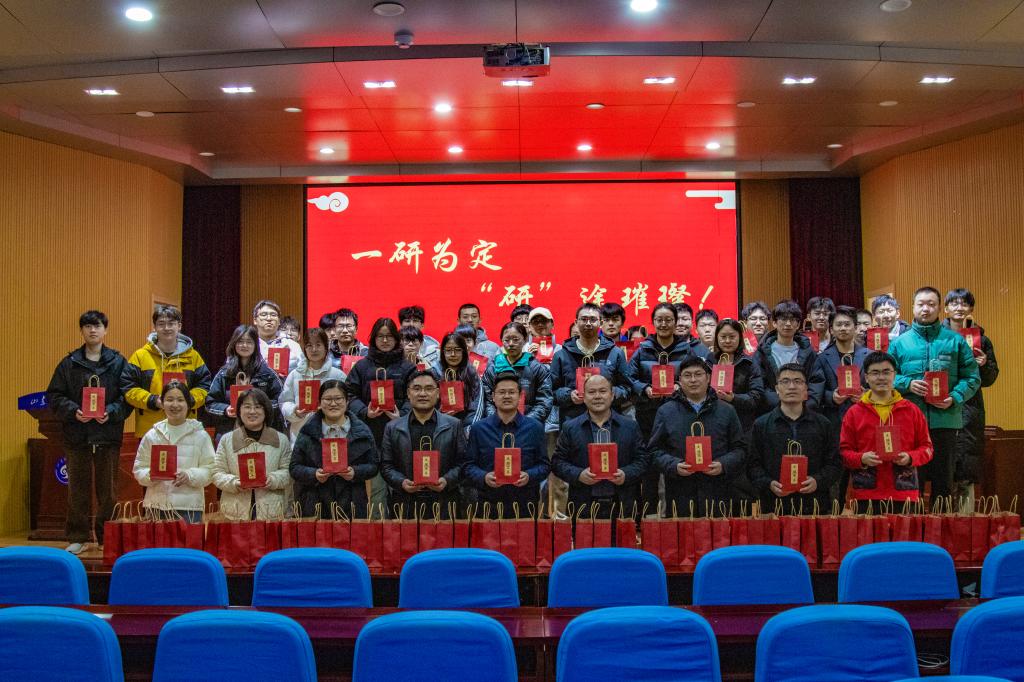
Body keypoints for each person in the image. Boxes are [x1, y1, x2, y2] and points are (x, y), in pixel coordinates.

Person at [46, 310, 129, 554]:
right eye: (88, 326)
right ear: (81, 331)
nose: (93, 330)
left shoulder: (118, 362)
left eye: (97, 326)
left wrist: (111, 412)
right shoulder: (69, 363)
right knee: (77, 490)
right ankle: (78, 536)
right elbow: (54, 395)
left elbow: (127, 397)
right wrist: (74, 411)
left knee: (108, 492)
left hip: (108, 435)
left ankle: (106, 537)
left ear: (105, 330)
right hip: (77, 436)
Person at [890, 286, 980, 501]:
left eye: (931, 304)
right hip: (910, 422)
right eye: (921, 304)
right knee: (911, 485)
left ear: (940, 308)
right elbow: (884, 377)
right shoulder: (899, 343)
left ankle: (942, 523)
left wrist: (955, 397)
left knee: (944, 485)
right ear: (913, 307)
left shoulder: (955, 340)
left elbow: (972, 377)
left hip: (945, 422)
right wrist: (907, 384)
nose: (926, 309)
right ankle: (912, 523)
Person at [627, 303, 709, 515]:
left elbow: (694, 375)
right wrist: (644, 388)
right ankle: (650, 516)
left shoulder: (686, 349)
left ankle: (674, 516)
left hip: (677, 415)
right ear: (653, 322)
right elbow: (629, 377)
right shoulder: (643, 349)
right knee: (649, 466)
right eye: (659, 320)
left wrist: (680, 386)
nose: (664, 324)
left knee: (674, 463)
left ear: (675, 322)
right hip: (648, 415)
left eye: (668, 320)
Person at [649, 356, 747, 517]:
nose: (693, 380)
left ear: (708, 378)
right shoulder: (666, 411)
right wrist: (674, 465)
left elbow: (740, 449)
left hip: (719, 491)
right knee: (684, 533)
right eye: (687, 375)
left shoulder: (727, 410)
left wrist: (723, 464)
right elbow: (654, 451)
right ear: (680, 381)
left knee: (718, 533)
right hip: (680, 493)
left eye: (698, 374)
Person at [840, 351, 934, 510]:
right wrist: (861, 458)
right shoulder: (854, 413)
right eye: (875, 373)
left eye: (886, 372)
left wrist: (910, 457)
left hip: (904, 494)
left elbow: (928, 449)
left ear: (895, 375)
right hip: (866, 494)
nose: (881, 377)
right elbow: (844, 452)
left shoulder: (912, 410)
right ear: (866, 378)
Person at [551, 375, 650, 520]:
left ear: (612, 395)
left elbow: (643, 460)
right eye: (591, 392)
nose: (597, 396)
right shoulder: (570, 428)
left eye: (603, 391)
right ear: (584, 397)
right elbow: (557, 462)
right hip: (583, 506)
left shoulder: (630, 426)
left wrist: (626, 474)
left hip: (623, 505)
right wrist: (579, 474)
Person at [748, 364, 841, 514]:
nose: (792, 386)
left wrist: (817, 481)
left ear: (806, 389)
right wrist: (769, 483)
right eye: (785, 381)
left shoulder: (823, 424)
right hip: (774, 506)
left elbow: (835, 463)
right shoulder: (761, 425)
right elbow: (752, 464)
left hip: (815, 506)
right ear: (777, 389)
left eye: (798, 381)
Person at [345, 317, 417, 509]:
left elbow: (416, 395)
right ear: (373, 339)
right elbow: (349, 394)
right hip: (370, 435)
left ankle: (401, 525)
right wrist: (364, 411)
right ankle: (378, 525)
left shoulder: (408, 367)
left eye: (389, 336)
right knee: (376, 491)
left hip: (402, 435)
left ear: (396, 338)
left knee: (401, 487)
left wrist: (403, 415)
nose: (385, 340)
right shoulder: (361, 366)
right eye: (380, 336)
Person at [381, 371, 467, 518]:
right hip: (405, 505)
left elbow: (463, 462)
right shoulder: (393, 427)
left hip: (444, 503)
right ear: (408, 393)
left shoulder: (454, 425)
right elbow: (386, 465)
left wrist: (446, 480)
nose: (422, 394)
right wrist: (401, 482)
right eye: (417, 388)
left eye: (429, 388)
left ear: (438, 393)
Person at [462, 372, 549, 517]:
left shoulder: (535, 428)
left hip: (525, 505)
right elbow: (468, 466)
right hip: (488, 505)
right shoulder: (479, 429)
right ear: (493, 396)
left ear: (520, 396)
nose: (507, 396)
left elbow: (545, 466)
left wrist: (529, 476)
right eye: (502, 392)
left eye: (511, 392)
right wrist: (484, 477)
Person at [943, 288, 999, 507]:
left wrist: (984, 365)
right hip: (943, 405)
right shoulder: (938, 337)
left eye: (964, 303)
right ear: (946, 309)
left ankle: (966, 520)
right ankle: (941, 520)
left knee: (967, 467)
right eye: (954, 303)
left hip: (970, 408)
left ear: (971, 308)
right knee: (943, 470)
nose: (959, 308)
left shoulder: (982, 340)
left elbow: (990, 378)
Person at [290, 379, 378, 519]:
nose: (333, 404)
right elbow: (294, 467)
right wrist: (314, 474)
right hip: (316, 503)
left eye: (338, 398)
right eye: (327, 399)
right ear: (319, 403)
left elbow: (373, 466)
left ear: (347, 401)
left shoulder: (362, 431)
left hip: (353, 502)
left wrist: (355, 472)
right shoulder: (308, 431)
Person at [122, 304, 211, 436]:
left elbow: (205, 387)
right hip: (150, 431)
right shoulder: (140, 356)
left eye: (171, 323)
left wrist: (187, 400)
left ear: (179, 326)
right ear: (154, 327)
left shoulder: (193, 357)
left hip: (186, 429)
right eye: (161, 324)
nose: (166, 328)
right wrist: (153, 400)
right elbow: (128, 388)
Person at [132, 381, 214, 524]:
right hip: (156, 505)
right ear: (162, 403)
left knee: (188, 540)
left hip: (189, 507)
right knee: (157, 540)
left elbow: (211, 469)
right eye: (169, 400)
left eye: (180, 400)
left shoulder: (201, 435)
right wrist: (151, 475)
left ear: (188, 404)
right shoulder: (152, 435)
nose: (175, 405)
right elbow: (139, 468)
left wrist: (190, 475)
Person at [212, 387, 292, 520]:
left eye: (258, 407)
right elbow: (217, 473)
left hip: (271, 511)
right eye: (247, 407)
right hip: (235, 512)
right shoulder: (227, 440)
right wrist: (235, 483)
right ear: (239, 411)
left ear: (266, 410)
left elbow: (288, 472)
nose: (252, 411)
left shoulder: (281, 439)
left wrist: (272, 480)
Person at [550, 302, 631, 427]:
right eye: (584, 319)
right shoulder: (561, 355)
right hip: (572, 422)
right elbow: (550, 392)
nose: (588, 323)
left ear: (601, 323)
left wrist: (609, 393)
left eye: (593, 320)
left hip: (608, 422)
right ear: (576, 322)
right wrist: (569, 396)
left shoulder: (615, 353)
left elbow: (627, 388)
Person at [205, 324, 284, 438]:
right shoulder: (224, 373)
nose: (245, 345)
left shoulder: (266, 373)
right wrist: (225, 410)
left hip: (262, 432)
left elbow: (280, 400)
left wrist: (260, 408)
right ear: (234, 344)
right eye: (240, 341)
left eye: (249, 342)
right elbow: (210, 403)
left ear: (255, 345)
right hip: (230, 432)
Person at [752, 299, 824, 411]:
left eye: (793, 320)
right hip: (772, 411)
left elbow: (816, 381)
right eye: (783, 319)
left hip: (804, 410)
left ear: (798, 324)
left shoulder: (809, 351)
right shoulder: (762, 352)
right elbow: (760, 384)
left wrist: (805, 405)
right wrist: (782, 405)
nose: (788, 324)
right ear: (774, 323)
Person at [280, 327, 345, 441]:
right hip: (301, 435)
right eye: (309, 345)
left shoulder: (338, 376)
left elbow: (347, 404)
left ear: (326, 347)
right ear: (304, 349)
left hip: (331, 435)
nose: (314, 349)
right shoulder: (294, 375)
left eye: (318, 345)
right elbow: (284, 402)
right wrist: (294, 411)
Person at [480, 322, 553, 423]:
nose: (511, 344)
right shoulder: (492, 368)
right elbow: (487, 401)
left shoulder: (536, 368)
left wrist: (526, 423)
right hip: (498, 425)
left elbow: (544, 400)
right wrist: (497, 422)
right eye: (507, 340)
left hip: (529, 426)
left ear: (525, 340)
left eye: (516, 339)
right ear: (501, 341)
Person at [815, 305, 870, 434]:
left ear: (855, 328)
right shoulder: (821, 358)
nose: (843, 328)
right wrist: (831, 397)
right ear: (831, 330)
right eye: (839, 325)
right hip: (834, 421)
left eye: (847, 324)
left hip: (864, 418)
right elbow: (816, 390)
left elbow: (880, 386)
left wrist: (867, 395)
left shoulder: (869, 356)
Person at [711, 318, 765, 432]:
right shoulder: (709, 361)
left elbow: (757, 397)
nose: (727, 341)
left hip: (741, 423)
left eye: (732, 337)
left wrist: (734, 398)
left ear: (740, 337)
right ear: (717, 338)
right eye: (723, 337)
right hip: (713, 421)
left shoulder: (749, 363)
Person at [432, 330, 481, 429]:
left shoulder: (472, 373)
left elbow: (475, 407)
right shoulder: (433, 374)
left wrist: (467, 430)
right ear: (442, 352)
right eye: (448, 350)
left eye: (458, 350)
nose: (453, 354)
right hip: (439, 427)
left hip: (466, 428)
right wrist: (439, 416)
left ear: (464, 352)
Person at [252, 299, 301, 374]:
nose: (269, 318)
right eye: (264, 315)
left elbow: (303, 371)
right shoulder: (248, 344)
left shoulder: (292, 345)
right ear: (255, 320)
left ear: (279, 321)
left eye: (273, 315)